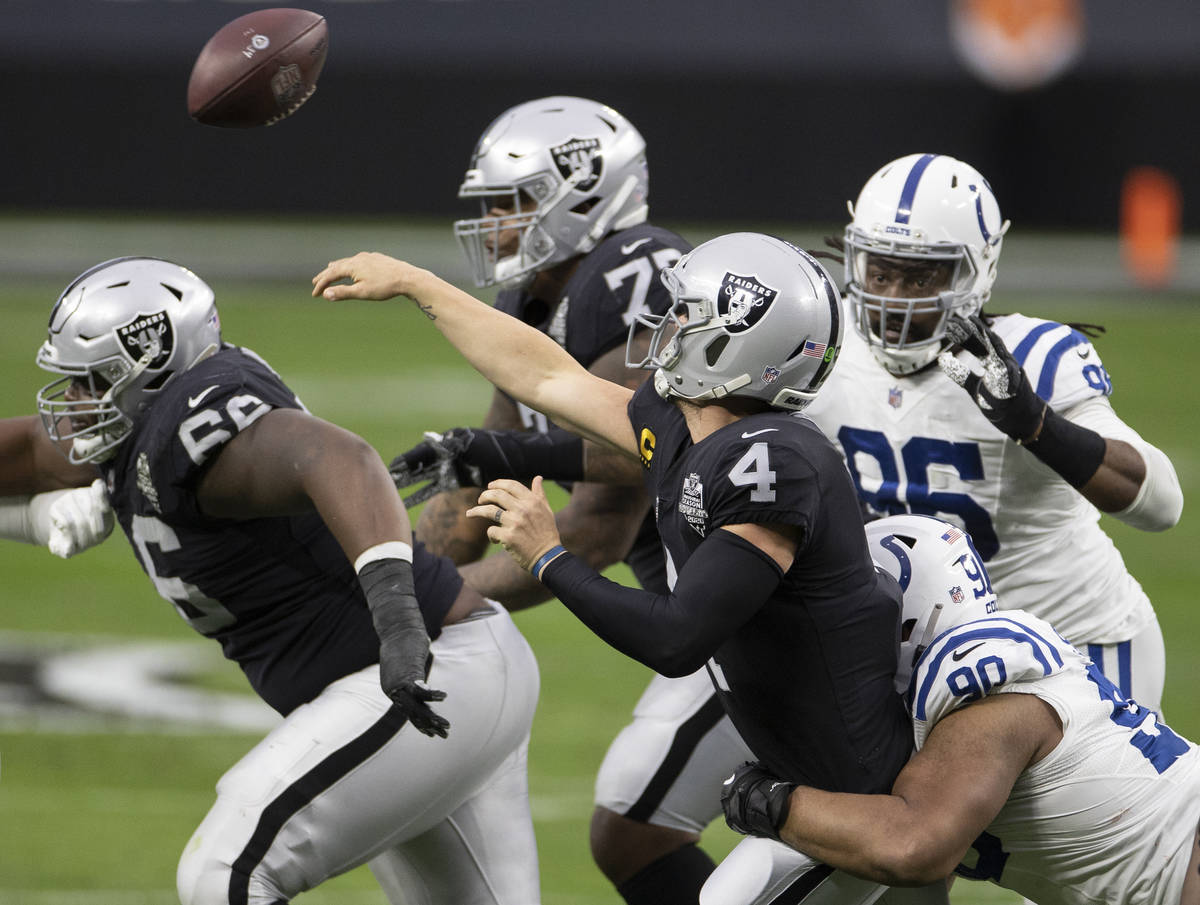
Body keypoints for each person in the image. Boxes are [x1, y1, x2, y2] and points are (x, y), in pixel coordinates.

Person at [315, 233, 955, 904]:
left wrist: (549, 555)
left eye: (687, 314)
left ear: (738, 344)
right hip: (809, 789)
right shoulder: (698, 426)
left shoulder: (774, 463)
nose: (667, 327)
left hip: (859, 808)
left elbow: (676, 638)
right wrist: (419, 284)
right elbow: (549, 378)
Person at [12, 256, 541, 905]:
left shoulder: (189, 419)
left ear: (146, 369)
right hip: (457, 674)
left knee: (223, 872)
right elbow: (29, 453)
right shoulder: (142, 433)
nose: (72, 404)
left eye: (89, 382)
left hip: (424, 671)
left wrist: (397, 615)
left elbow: (340, 457)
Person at [392, 94, 728, 905]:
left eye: (515, 202)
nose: (499, 223)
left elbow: (609, 507)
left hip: (758, 599)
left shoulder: (642, 275)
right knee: (636, 830)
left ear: (585, 196)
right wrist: (397, 580)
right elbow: (487, 468)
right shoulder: (537, 298)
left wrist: (436, 605)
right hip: (702, 611)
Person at [803, 152, 1183, 712]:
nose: (893, 299)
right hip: (924, 652)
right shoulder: (823, 345)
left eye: (920, 276)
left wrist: (1037, 426)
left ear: (976, 270)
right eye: (880, 272)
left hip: (1074, 640)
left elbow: (1160, 503)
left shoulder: (1032, 356)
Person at [720, 512, 1200, 905]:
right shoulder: (942, 705)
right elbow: (913, 884)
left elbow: (913, 849)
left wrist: (766, 800)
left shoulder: (986, 695)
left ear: (907, 616)